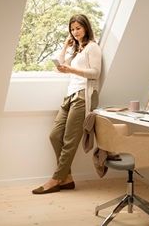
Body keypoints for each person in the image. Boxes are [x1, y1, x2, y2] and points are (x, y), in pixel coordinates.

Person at [32, 14, 102, 195]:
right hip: (70, 95)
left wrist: (70, 69)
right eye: (72, 29)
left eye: (78, 28)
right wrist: (65, 46)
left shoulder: (93, 48)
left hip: (83, 96)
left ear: (86, 27)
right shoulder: (78, 50)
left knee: (70, 141)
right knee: (55, 135)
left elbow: (95, 73)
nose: (75, 32)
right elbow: (61, 65)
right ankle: (67, 178)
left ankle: (56, 179)